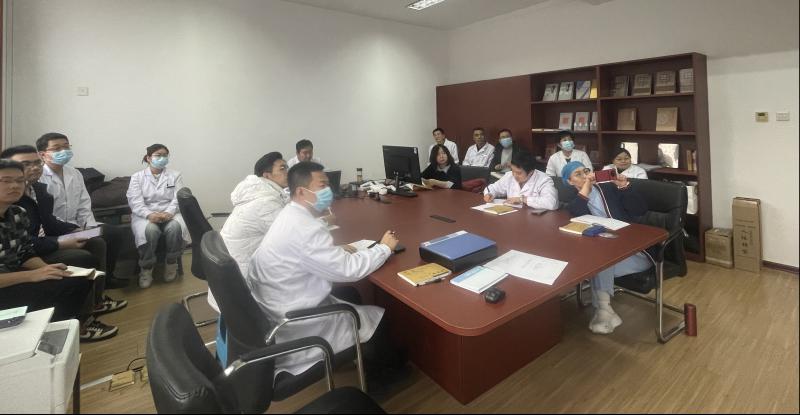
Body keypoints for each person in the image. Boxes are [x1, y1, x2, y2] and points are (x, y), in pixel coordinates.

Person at [246, 161, 407, 390]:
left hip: (278, 304)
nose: (329, 191)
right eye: (322, 185)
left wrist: (334, 250)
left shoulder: (290, 215)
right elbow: (349, 270)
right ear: (301, 191)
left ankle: (361, 356)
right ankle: (382, 379)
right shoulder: (305, 229)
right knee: (377, 319)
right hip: (297, 323)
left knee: (350, 295)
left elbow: (304, 252)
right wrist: (384, 248)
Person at [0, 159, 118, 341]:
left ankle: (70, 327)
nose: (14, 185)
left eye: (19, 180)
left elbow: (25, 252)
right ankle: (54, 335)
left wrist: (45, 269)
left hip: (16, 271)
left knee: (77, 277)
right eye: (6, 181)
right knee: (64, 285)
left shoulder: (17, 213)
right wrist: (32, 275)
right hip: (7, 282)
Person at [562, 161, 652, 335]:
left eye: (586, 171)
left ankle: (604, 311)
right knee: (596, 262)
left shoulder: (608, 188)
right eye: (578, 174)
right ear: (569, 182)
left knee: (598, 263)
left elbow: (640, 209)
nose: (585, 176)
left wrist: (624, 186)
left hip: (634, 249)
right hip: (607, 250)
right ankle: (605, 310)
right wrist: (586, 189)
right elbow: (575, 213)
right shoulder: (574, 199)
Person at [36, 132, 127, 289]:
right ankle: (92, 285)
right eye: (57, 148)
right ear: (43, 154)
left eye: (66, 147)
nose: (63, 151)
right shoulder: (39, 177)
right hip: (54, 231)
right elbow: (43, 216)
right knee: (96, 243)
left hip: (78, 226)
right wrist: (73, 230)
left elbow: (84, 203)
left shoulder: (74, 173)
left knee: (114, 233)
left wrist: (88, 226)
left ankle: (107, 278)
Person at [126, 144, 190, 289]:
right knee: (150, 231)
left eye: (165, 155)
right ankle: (146, 268)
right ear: (148, 158)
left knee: (175, 228)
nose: (162, 158)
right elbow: (135, 201)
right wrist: (149, 214)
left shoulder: (175, 175)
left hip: (170, 212)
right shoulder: (137, 177)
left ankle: (171, 263)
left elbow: (178, 197)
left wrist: (169, 212)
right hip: (145, 214)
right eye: (158, 155)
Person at [221, 152, 290, 283]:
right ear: (267, 175)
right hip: (244, 278)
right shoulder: (264, 202)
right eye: (282, 168)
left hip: (236, 270)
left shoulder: (261, 193)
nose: (288, 172)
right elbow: (292, 237)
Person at [483, 150, 558, 210]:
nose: (514, 175)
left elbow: (551, 203)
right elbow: (492, 188)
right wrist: (489, 194)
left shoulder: (544, 180)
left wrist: (522, 199)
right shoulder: (509, 176)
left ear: (531, 172)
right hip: (512, 215)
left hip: (535, 219)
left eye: (519, 173)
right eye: (512, 170)